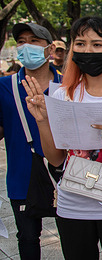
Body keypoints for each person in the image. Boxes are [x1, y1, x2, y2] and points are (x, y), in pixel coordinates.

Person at [22, 16, 102, 260]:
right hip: (72, 204)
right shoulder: (60, 95)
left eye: (97, 44)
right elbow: (56, 159)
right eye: (80, 43)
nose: (87, 50)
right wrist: (42, 121)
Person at [0, 22, 61, 259]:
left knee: (72, 236)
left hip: (64, 176)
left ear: (50, 49)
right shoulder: (4, 87)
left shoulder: (67, 86)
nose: (26, 47)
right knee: (27, 238)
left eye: (34, 41)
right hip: (21, 177)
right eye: (21, 41)